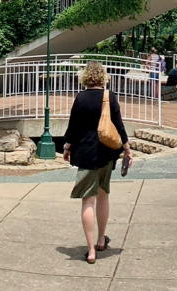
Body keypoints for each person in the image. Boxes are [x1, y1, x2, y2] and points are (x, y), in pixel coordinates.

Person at [61, 60, 132, 263]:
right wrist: (127, 149)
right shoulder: (109, 97)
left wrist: (67, 147)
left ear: (85, 77)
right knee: (103, 195)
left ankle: (91, 250)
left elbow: (72, 126)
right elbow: (118, 125)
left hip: (85, 153)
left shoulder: (81, 98)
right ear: (102, 76)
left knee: (87, 200)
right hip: (106, 153)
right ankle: (101, 240)